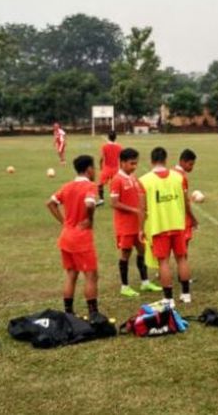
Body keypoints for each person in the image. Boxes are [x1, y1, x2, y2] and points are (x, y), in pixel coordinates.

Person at [46, 155, 102, 320]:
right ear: (89, 169)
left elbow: (50, 203)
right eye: (94, 168)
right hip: (81, 238)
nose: (95, 171)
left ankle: (68, 313)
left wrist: (64, 222)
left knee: (71, 274)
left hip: (66, 236)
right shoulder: (90, 186)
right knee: (91, 275)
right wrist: (89, 219)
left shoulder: (67, 186)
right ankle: (93, 314)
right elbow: (90, 203)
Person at [141, 147, 192, 305]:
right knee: (181, 259)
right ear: (166, 159)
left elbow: (143, 209)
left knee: (163, 262)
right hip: (177, 224)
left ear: (151, 160)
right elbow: (185, 201)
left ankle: (168, 298)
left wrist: (140, 229)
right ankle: (186, 294)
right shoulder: (178, 177)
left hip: (158, 226)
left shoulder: (144, 180)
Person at [110, 148, 162, 298]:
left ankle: (145, 282)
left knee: (142, 250)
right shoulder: (117, 180)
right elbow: (114, 203)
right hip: (124, 226)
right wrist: (134, 210)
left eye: (136, 163)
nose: (134, 166)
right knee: (125, 254)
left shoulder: (132, 177)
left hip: (137, 225)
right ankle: (124, 286)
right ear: (123, 163)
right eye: (132, 163)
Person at [173, 149, 200, 245]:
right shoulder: (181, 177)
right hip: (182, 217)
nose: (192, 167)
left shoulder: (171, 171)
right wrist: (193, 219)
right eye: (190, 164)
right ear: (182, 162)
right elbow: (185, 202)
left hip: (171, 216)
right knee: (183, 247)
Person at [98, 131, 123, 204]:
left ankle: (101, 199)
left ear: (108, 137)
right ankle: (118, 199)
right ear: (116, 138)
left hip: (107, 168)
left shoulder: (104, 146)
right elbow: (121, 159)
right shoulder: (119, 147)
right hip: (116, 168)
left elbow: (101, 158)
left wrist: (101, 167)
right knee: (116, 185)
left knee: (100, 184)